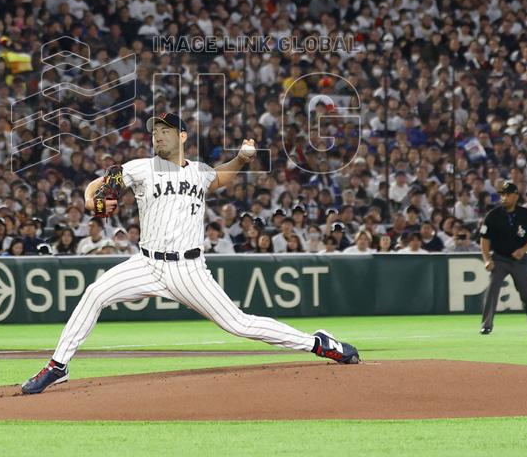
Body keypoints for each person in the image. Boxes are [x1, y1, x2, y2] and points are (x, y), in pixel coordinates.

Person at [20, 111, 359, 395]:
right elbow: (98, 186)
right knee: (94, 294)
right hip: (147, 262)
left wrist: (241, 158)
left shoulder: (197, 171)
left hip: (189, 269)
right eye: (155, 131)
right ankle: (58, 366)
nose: (158, 137)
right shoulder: (140, 167)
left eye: (166, 131)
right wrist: (92, 200)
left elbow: (220, 178)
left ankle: (317, 343)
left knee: (239, 324)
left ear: (182, 136)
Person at [478, 181, 527, 335]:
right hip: (500, 258)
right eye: (502, 195)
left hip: (519, 260)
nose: (504, 198)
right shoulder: (493, 215)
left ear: (515, 196)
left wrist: (523, 250)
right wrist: (487, 259)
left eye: (507, 195)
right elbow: (484, 240)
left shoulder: (525, 214)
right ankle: (486, 325)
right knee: (492, 291)